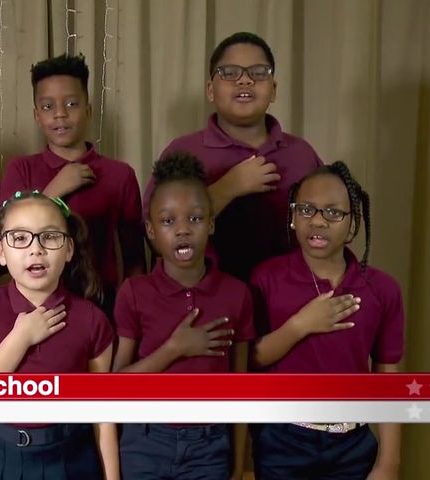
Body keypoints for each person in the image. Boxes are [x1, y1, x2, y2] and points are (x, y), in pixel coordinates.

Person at [249, 161, 404, 479]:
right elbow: (251, 358)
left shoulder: (382, 289)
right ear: (292, 217)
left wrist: (389, 460)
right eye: (306, 209)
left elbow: (388, 376)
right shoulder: (266, 278)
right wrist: (300, 325)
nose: (317, 221)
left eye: (333, 212)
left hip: (353, 444)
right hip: (282, 439)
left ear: (352, 225)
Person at [0, 191, 118, 479]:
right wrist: (20, 338)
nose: (36, 249)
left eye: (50, 237)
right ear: (0, 253)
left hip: (70, 458)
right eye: (20, 238)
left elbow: (102, 413)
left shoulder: (92, 319)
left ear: (68, 249)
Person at [114, 153, 254, 480]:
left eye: (194, 219)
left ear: (212, 223)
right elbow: (117, 385)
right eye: (167, 221)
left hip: (210, 446)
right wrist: (174, 349)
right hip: (145, 442)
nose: (182, 230)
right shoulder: (134, 292)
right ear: (150, 229)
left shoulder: (237, 295)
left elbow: (241, 390)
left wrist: (237, 466)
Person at [144, 32, 322, 281]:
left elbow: (328, 230)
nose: (245, 81)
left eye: (258, 73)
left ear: (273, 90)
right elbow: (153, 238)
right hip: (206, 301)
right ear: (210, 89)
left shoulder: (301, 154)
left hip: (288, 300)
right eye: (229, 73)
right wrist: (228, 187)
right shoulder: (182, 151)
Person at [0, 53, 145, 312]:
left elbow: (135, 258)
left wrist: (130, 315)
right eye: (47, 107)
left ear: (88, 110)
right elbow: (9, 236)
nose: (59, 115)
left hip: (102, 306)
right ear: (36, 115)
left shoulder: (119, 174)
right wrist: (55, 190)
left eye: (71, 104)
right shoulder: (20, 169)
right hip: (33, 308)